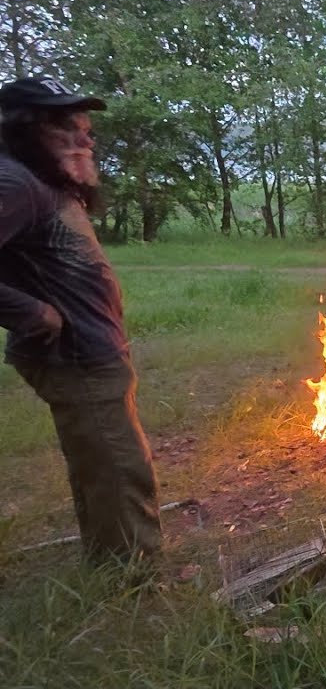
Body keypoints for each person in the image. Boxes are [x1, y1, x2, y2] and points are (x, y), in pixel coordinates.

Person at [0, 76, 161, 563]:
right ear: (28, 129)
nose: (85, 138)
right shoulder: (16, 182)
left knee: (100, 462)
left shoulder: (42, 179)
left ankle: (109, 561)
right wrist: (32, 312)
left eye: (86, 127)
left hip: (91, 350)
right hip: (75, 356)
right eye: (68, 126)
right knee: (119, 467)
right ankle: (132, 582)